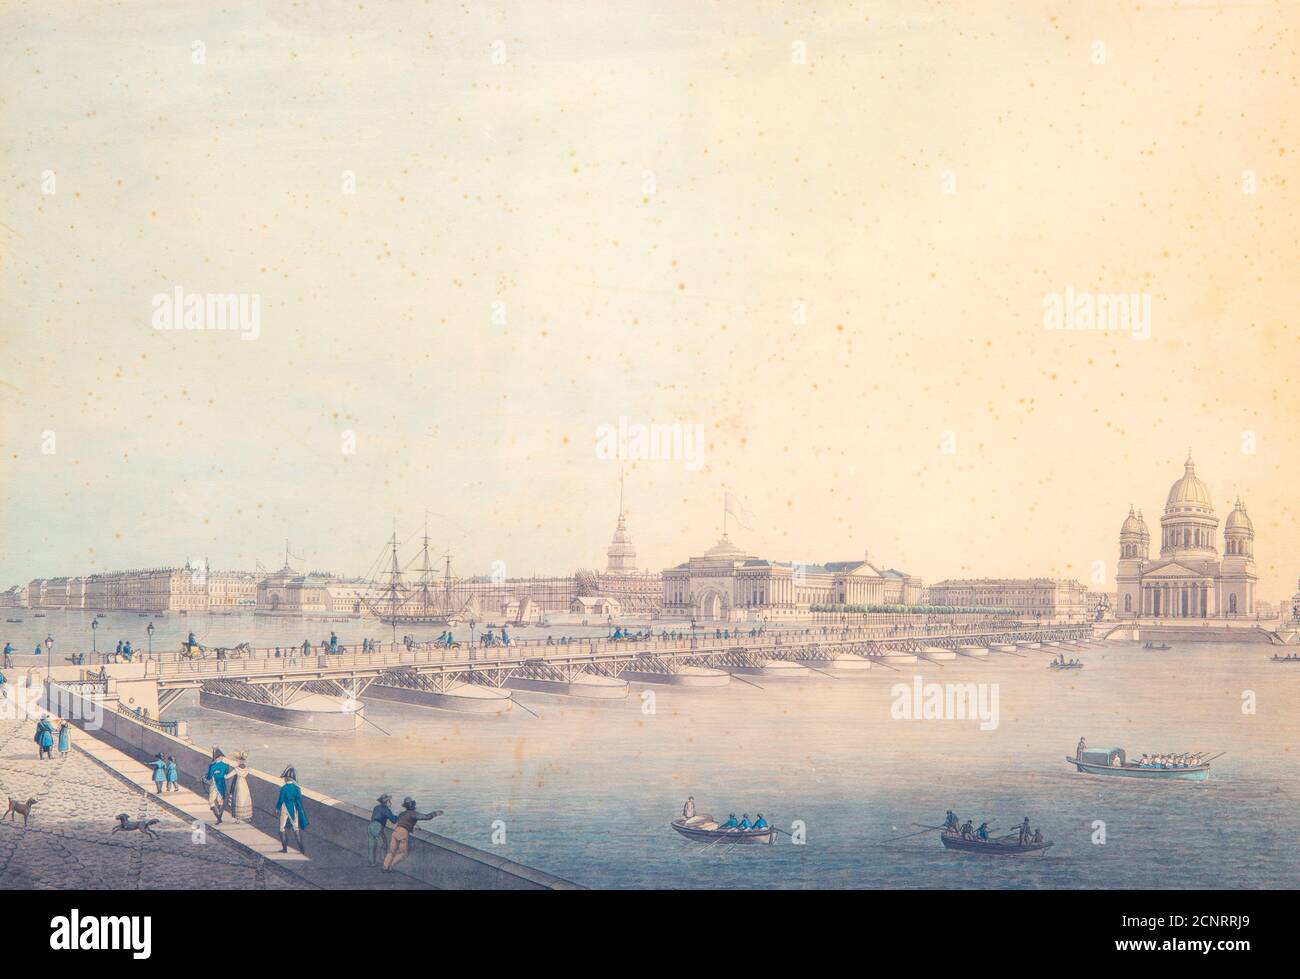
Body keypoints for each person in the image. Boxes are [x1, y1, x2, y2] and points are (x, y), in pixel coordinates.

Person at [382, 797, 442, 873]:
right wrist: (435, 813)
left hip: (396, 831)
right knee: (403, 853)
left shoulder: (402, 814)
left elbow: (404, 821)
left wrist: (414, 826)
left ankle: (384, 867)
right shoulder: (413, 813)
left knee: (391, 851)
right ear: (413, 805)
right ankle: (390, 867)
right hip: (403, 833)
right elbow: (426, 817)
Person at [276, 766, 309, 853]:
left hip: (284, 809)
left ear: (286, 779)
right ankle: (301, 848)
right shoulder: (297, 788)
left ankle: (284, 849)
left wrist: (277, 808)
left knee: (282, 828)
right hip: (293, 809)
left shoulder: (283, 788)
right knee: (296, 828)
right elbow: (298, 799)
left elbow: (280, 800)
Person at [368, 794, 398, 866]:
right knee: (383, 845)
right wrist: (398, 816)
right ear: (387, 802)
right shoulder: (386, 809)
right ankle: (385, 864)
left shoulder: (376, 807)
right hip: (378, 826)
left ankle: (372, 863)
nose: (390, 802)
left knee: (372, 846)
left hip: (370, 826)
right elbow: (393, 820)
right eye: (389, 801)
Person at [205, 748, 233, 823]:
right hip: (222, 784)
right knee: (221, 802)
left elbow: (209, 777)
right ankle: (219, 817)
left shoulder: (212, 766)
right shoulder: (226, 765)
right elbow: (226, 773)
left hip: (214, 785)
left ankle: (219, 818)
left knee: (211, 802)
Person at [230, 751, 254, 821]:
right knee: (245, 800)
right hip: (244, 784)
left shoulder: (236, 769)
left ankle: (238, 819)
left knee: (238, 800)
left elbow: (227, 776)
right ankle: (248, 816)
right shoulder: (247, 769)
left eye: (237, 760)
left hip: (238, 784)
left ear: (239, 761)